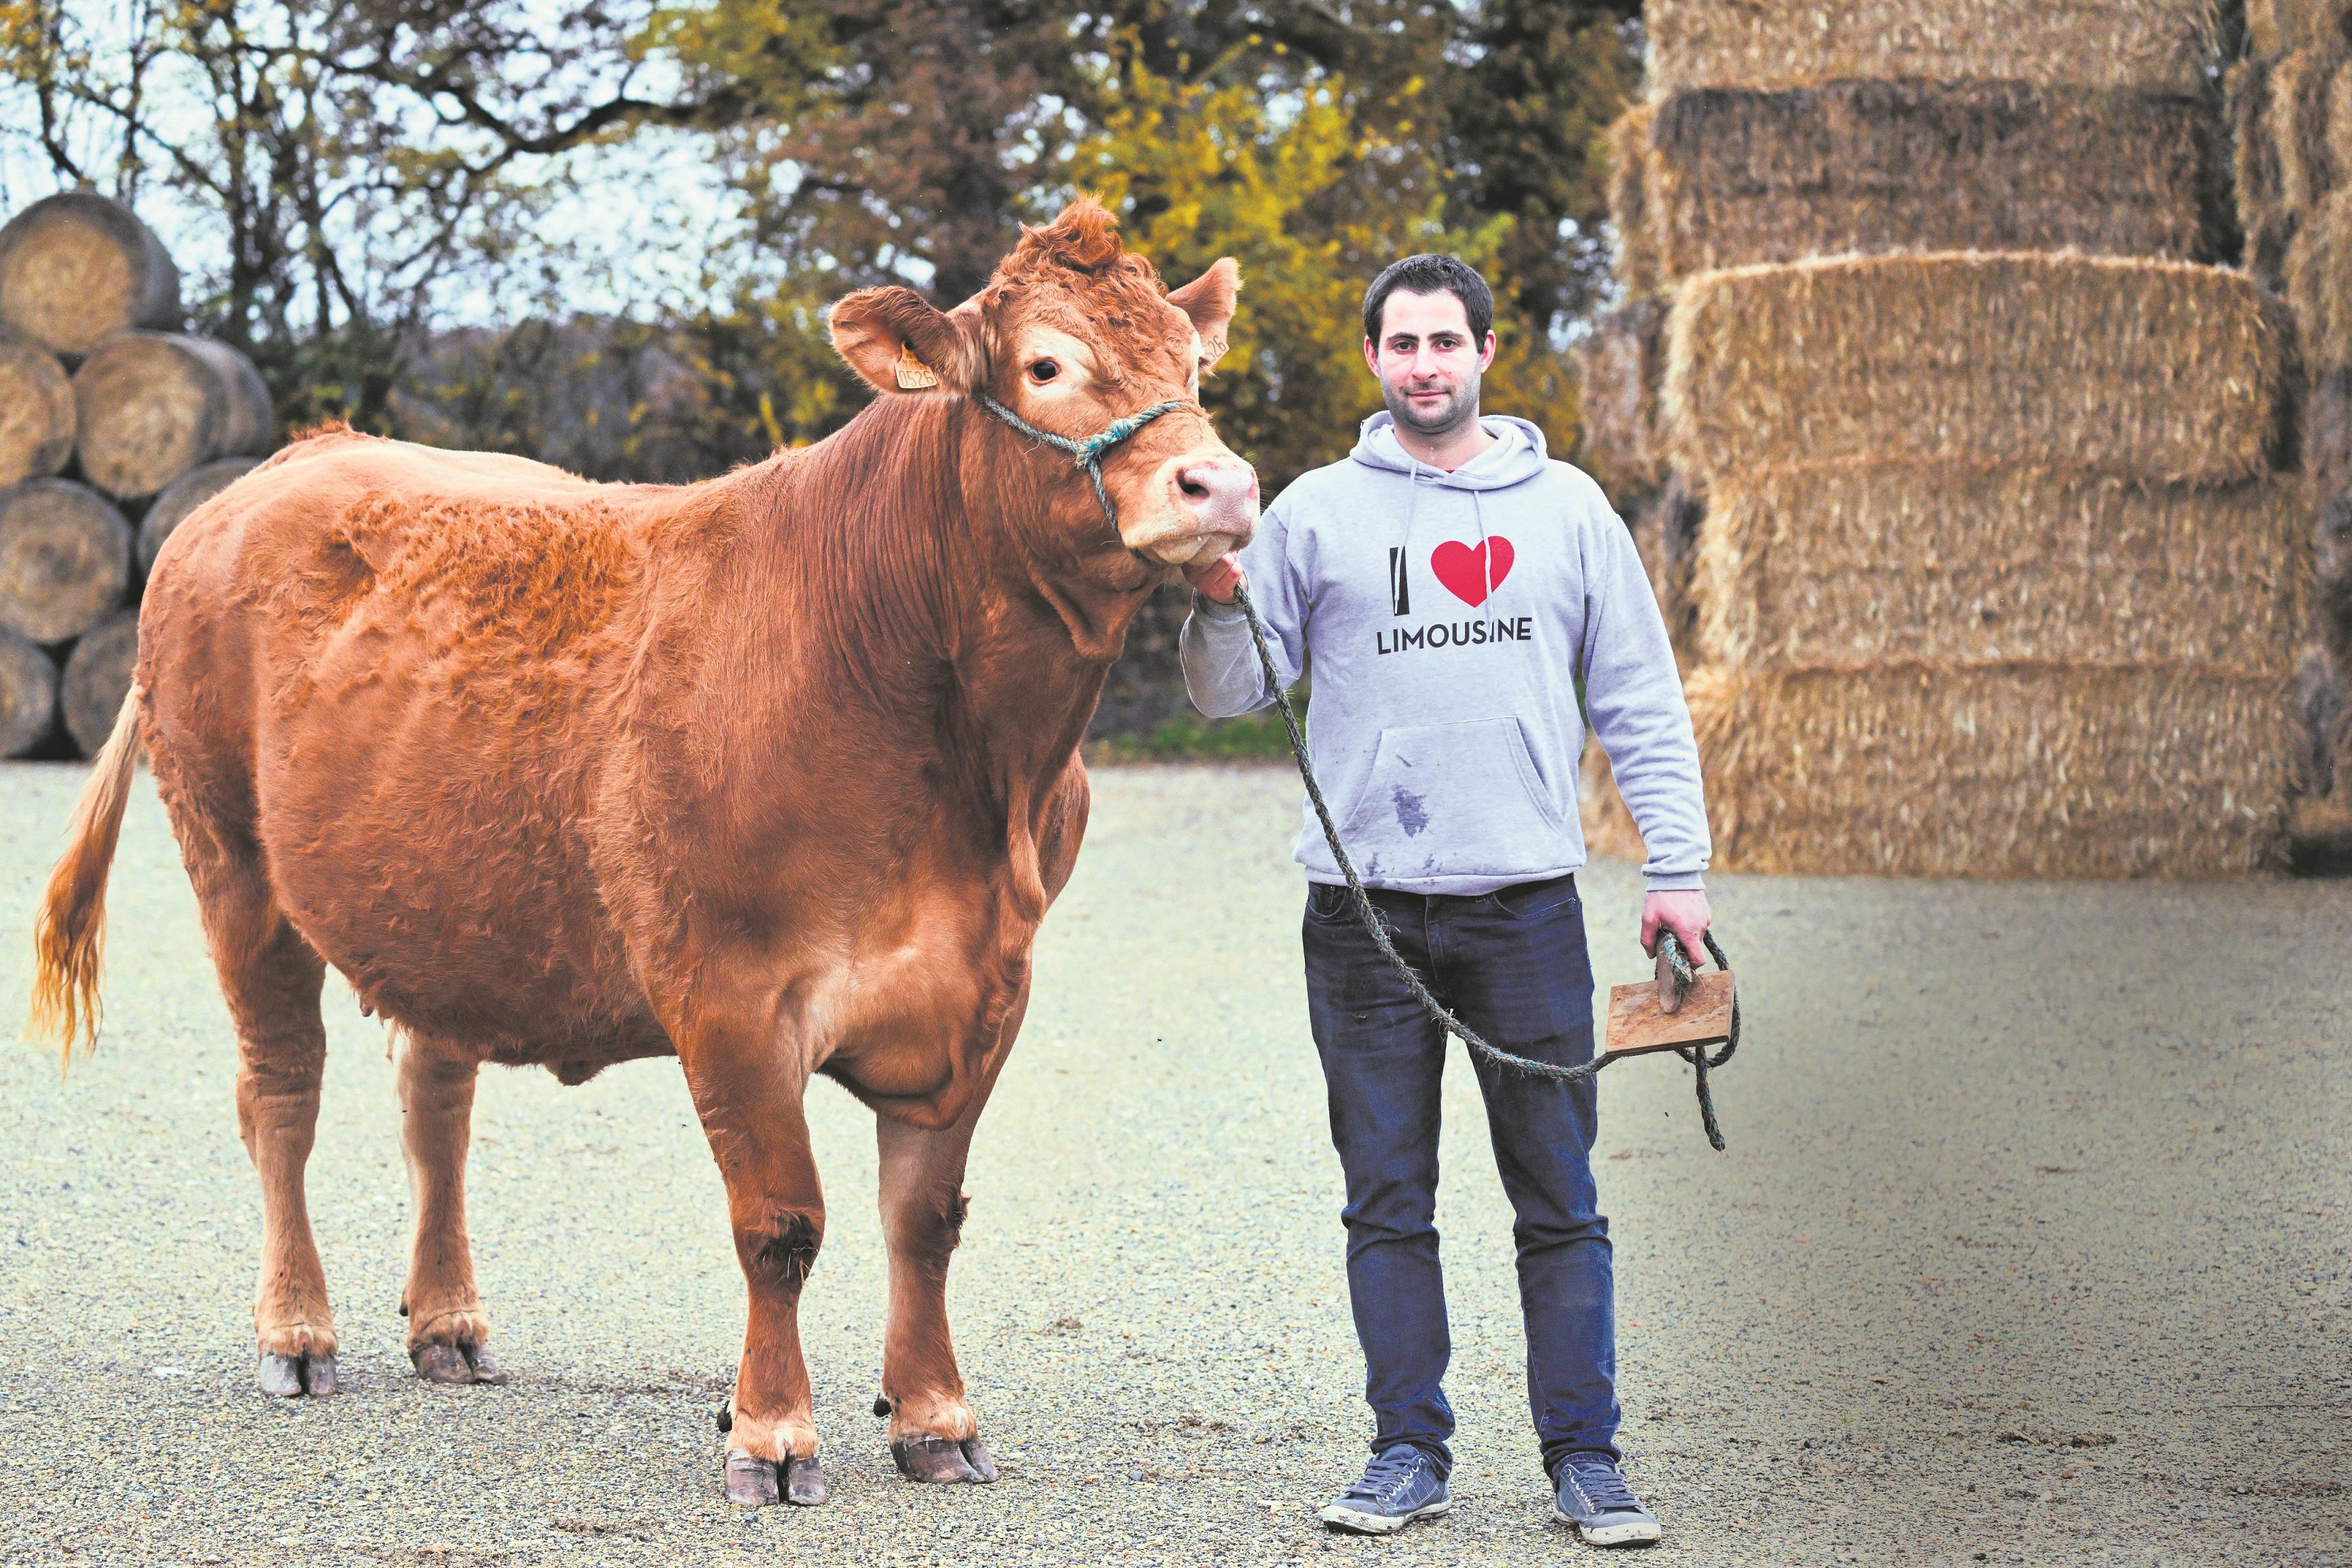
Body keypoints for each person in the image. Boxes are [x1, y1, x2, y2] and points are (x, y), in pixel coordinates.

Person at [1177, 254, 1712, 1546]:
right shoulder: (1311, 513)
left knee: (1560, 1199)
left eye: (1445, 342)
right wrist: (1207, 595)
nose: (1425, 365)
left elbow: (1638, 699)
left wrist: (1677, 869)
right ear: (1374, 361)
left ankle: (1589, 1461)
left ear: (1486, 351)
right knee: (1386, 1201)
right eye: (1402, 344)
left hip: (1523, 908)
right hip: (1362, 919)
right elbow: (1229, 694)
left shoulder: (1572, 509)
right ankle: (1406, 1452)